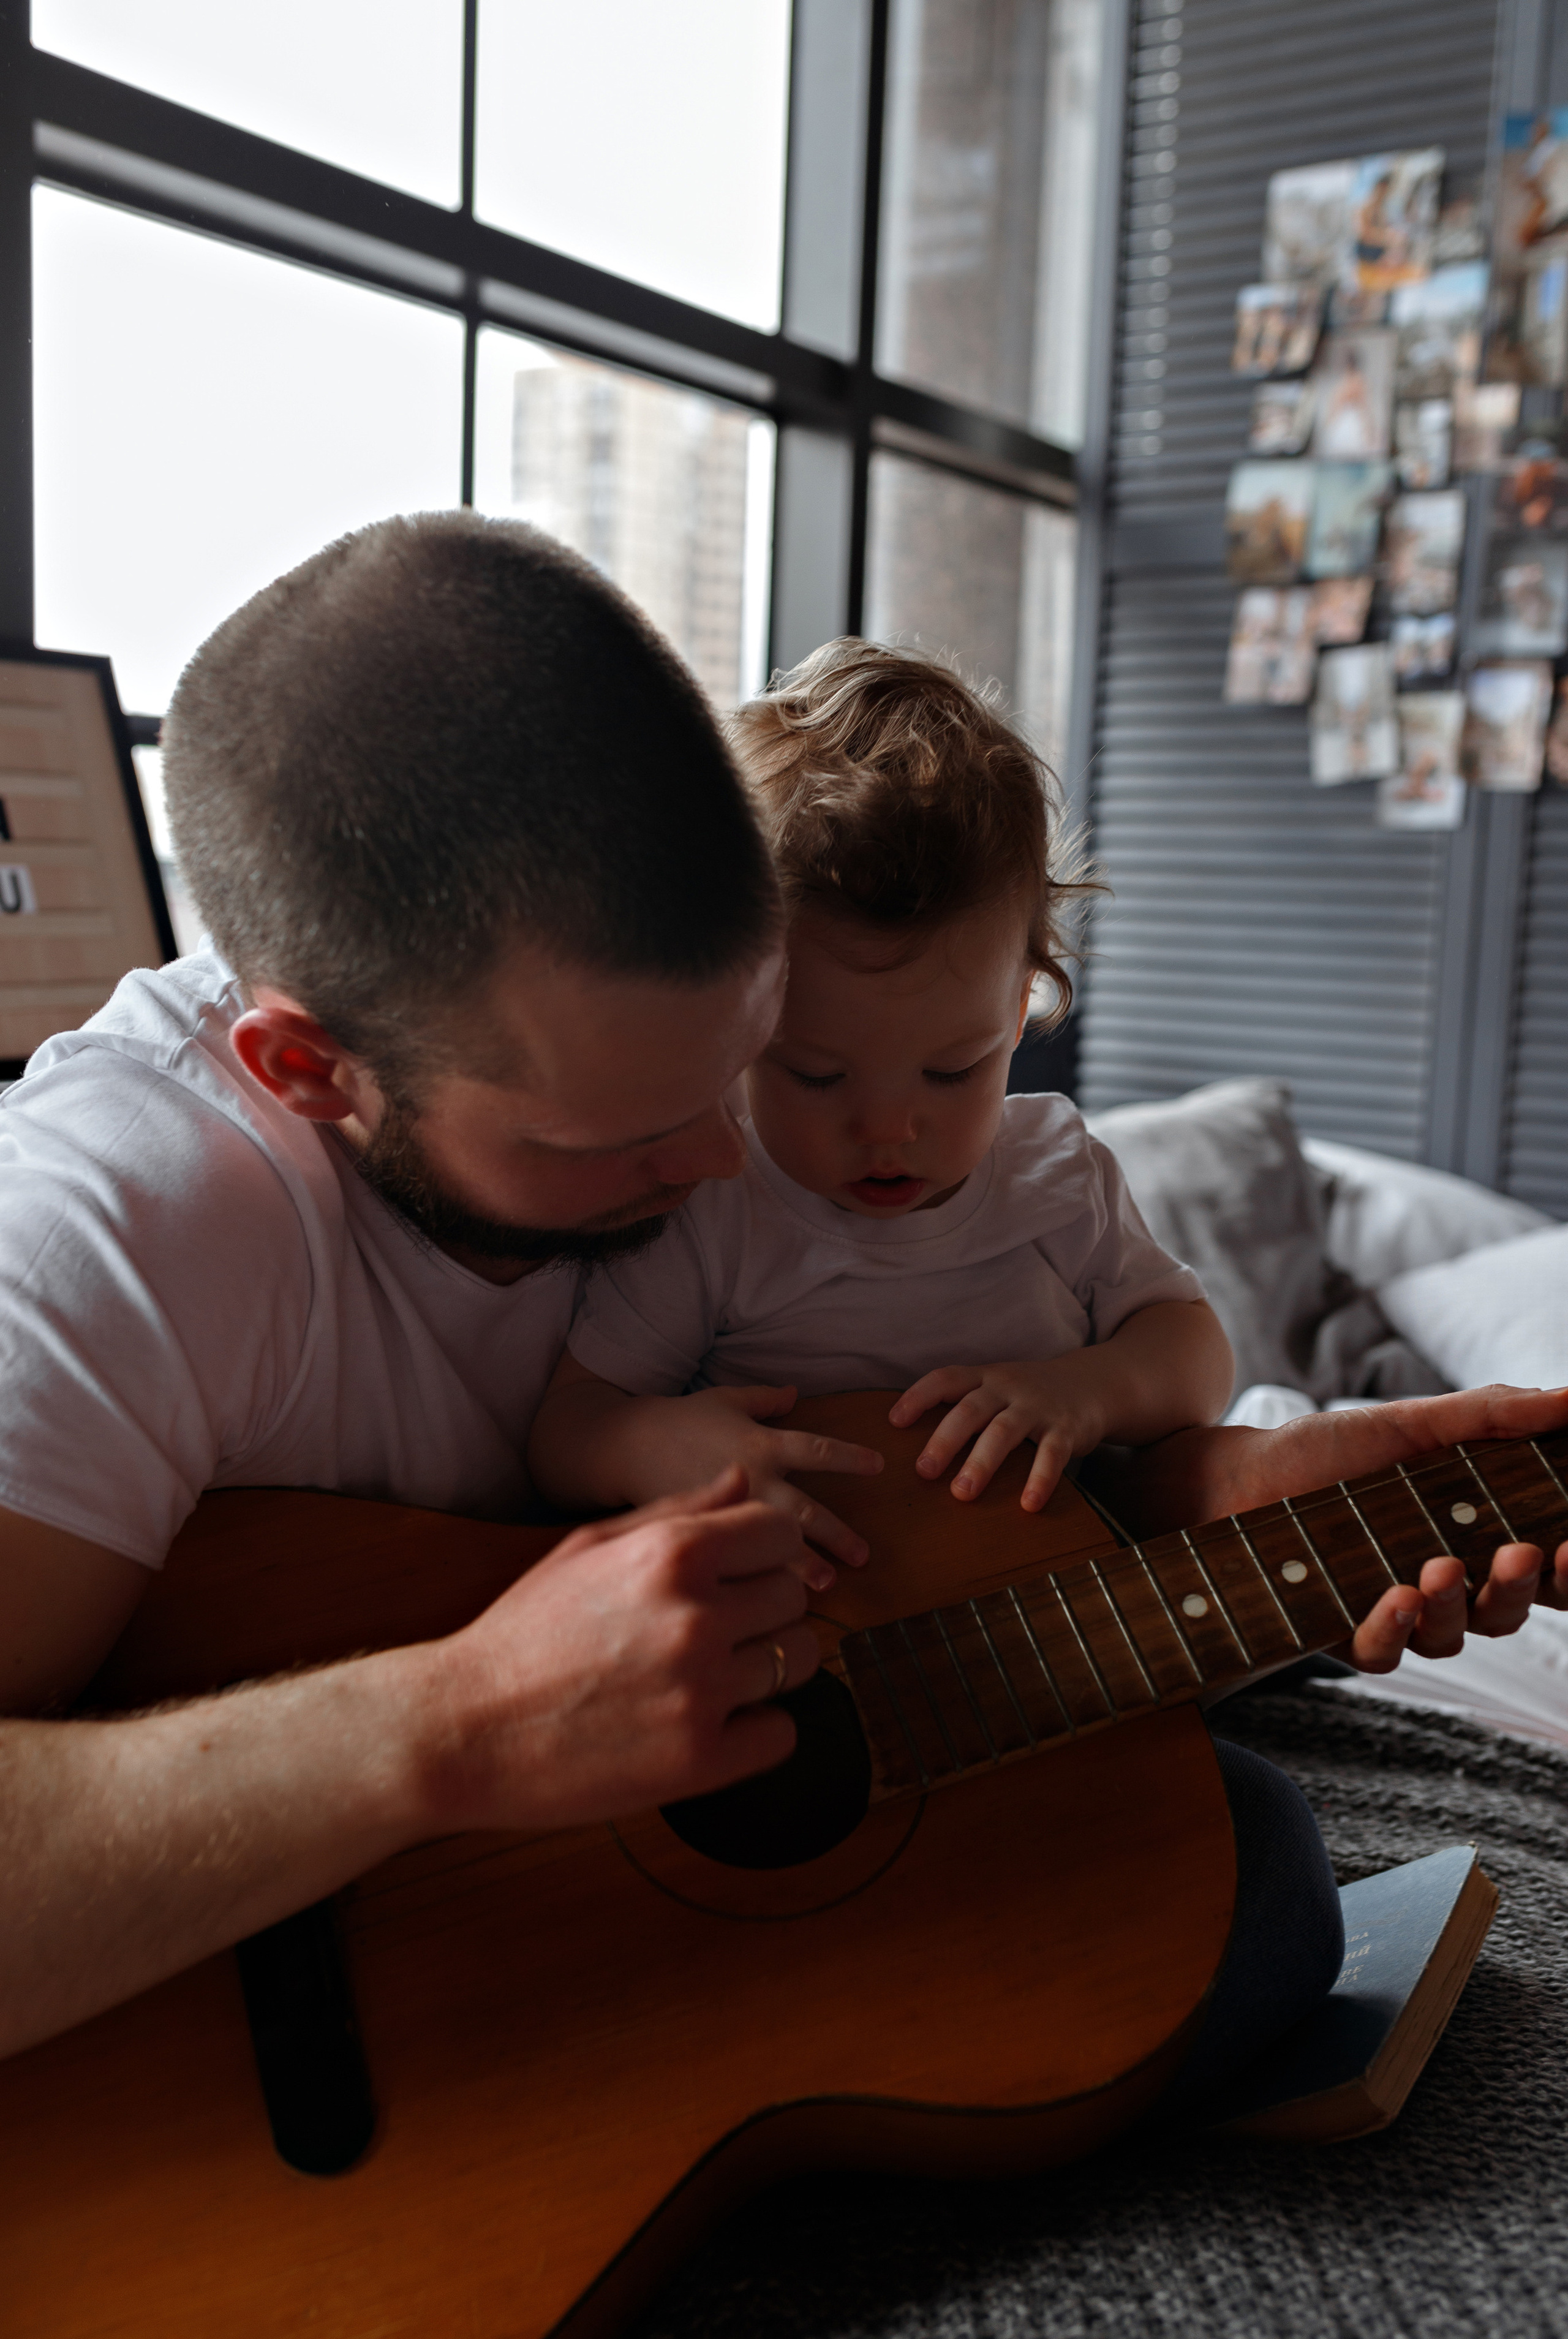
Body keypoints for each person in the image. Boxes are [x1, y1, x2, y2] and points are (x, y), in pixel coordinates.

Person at [0, 515, 1562, 2078]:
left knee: (1231, 1890)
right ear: (309, 1071)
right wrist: (461, 1720)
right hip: (310, 2084)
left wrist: (1202, 1492)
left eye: (744, 1060)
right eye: (614, 1132)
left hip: (696, 1890)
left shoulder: (795, 1135)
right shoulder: (105, 1230)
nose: (716, 1164)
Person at [528, 639, 1234, 1563]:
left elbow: (1198, 1358)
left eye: (954, 1071)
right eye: (817, 1075)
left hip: (1053, 1611)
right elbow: (566, 1429)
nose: (890, 1131)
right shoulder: (714, 1205)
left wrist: (1087, 1392)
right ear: (734, 1027)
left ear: (1019, 1011)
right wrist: (657, 1446)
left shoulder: (1058, 1176)